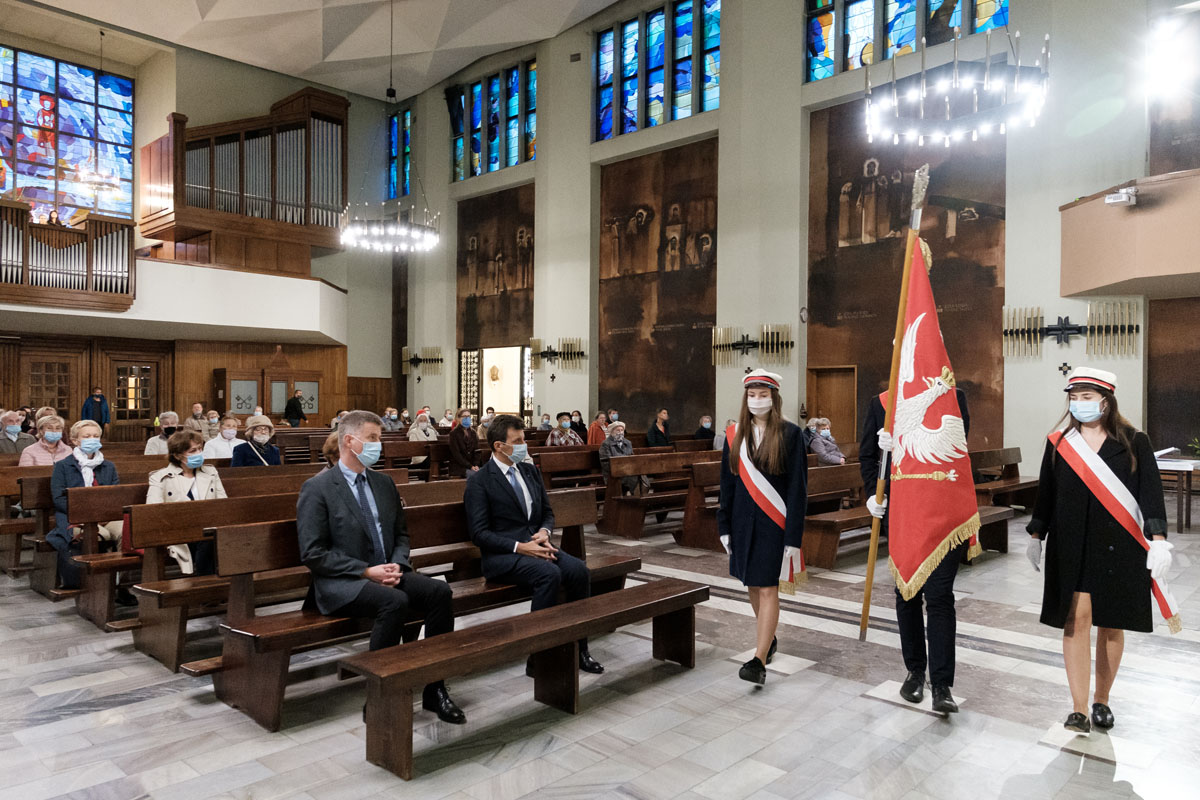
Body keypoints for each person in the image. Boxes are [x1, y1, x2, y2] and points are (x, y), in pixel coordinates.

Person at [1026, 368, 1169, 734]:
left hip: (1119, 546)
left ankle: (1102, 699)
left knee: (1111, 621)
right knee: (1076, 619)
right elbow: (1047, 492)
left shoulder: (1135, 441)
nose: (1079, 403)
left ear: (1106, 401)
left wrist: (1158, 539)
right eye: (1074, 397)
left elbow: (1150, 492)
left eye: (1087, 397)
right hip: (1072, 544)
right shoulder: (1059, 442)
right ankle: (1078, 708)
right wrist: (1036, 533)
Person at [297, 410, 464, 724]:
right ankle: (379, 697)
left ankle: (435, 687)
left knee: (440, 591)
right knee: (395, 601)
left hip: (387, 571)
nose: (379, 445)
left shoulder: (384, 483)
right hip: (343, 580)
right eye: (373, 438)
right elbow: (313, 553)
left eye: (379, 438)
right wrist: (365, 571)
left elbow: (401, 533)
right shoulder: (318, 488)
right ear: (350, 440)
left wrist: (397, 564)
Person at [464, 414, 603, 675]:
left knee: (578, 571)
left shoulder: (529, 471)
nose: (523, 445)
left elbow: (547, 513)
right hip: (502, 555)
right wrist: (521, 546)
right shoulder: (480, 481)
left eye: (523, 439)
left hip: (537, 547)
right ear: (498, 446)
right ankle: (538, 656)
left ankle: (579, 647)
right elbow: (479, 534)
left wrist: (543, 531)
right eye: (517, 441)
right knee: (549, 574)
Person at [861, 385, 971, 713]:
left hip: (942, 514)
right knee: (907, 593)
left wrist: (905, 436)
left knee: (939, 597)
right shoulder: (880, 402)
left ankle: (941, 684)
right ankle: (914, 671)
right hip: (903, 514)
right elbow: (867, 456)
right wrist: (872, 493)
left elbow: (958, 447)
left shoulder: (954, 396)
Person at [717, 370, 807, 685]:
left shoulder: (791, 434)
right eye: (752, 395)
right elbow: (726, 485)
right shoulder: (734, 435)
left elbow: (798, 488)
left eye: (763, 395)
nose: (757, 400)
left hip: (774, 524)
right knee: (753, 586)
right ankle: (768, 639)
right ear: (746, 398)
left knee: (768, 587)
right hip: (742, 524)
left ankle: (758, 660)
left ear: (774, 398)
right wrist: (723, 526)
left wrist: (794, 537)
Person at [48, 421, 122, 590]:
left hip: (106, 516)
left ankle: (119, 583)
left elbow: (116, 495)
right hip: (74, 517)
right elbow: (59, 499)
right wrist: (87, 515)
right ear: (75, 440)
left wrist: (103, 513)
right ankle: (95, 584)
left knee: (127, 531)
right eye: (86, 436)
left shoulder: (108, 466)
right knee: (97, 535)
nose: (92, 439)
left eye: (96, 436)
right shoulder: (63, 466)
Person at [147, 430, 227, 575]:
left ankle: (206, 583)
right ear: (178, 455)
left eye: (200, 449)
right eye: (193, 451)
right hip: (178, 529)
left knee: (212, 537)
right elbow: (153, 508)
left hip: (209, 527)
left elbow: (223, 503)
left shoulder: (211, 472)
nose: (199, 453)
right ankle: (205, 584)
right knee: (209, 539)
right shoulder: (160, 477)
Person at [599, 419, 647, 495]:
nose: (620, 433)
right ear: (612, 432)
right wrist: (621, 469)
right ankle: (629, 496)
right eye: (618, 430)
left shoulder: (627, 443)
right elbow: (605, 463)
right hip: (612, 474)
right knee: (634, 477)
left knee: (640, 475)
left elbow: (632, 458)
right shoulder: (606, 444)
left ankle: (637, 498)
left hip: (627, 471)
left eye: (622, 430)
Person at [448, 408, 479, 477]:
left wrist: (476, 465)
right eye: (464, 416)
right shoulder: (454, 433)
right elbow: (456, 454)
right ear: (459, 418)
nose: (467, 418)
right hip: (458, 466)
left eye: (468, 416)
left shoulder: (473, 432)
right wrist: (470, 466)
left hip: (472, 465)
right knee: (476, 475)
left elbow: (476, 450)